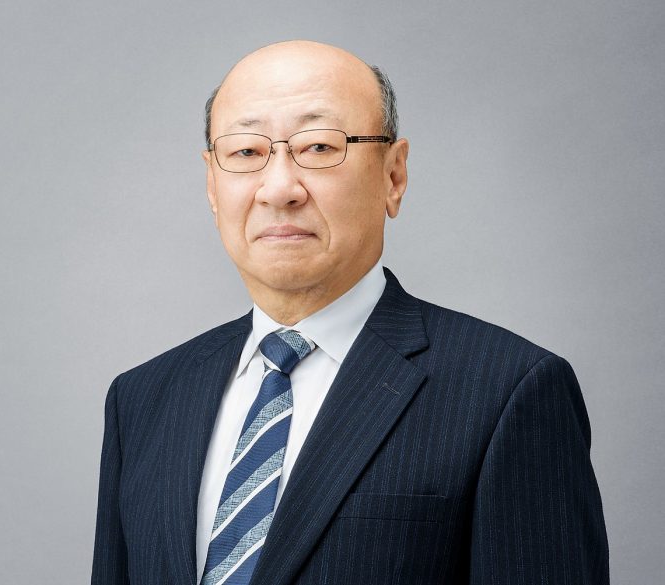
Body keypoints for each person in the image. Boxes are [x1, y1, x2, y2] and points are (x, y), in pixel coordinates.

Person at [91, 40, 609, 585]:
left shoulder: (509, 390)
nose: (279, 189)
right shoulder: (142, 399)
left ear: (393, 175)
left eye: (319, 146)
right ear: (212, 185)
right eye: (245, 152)